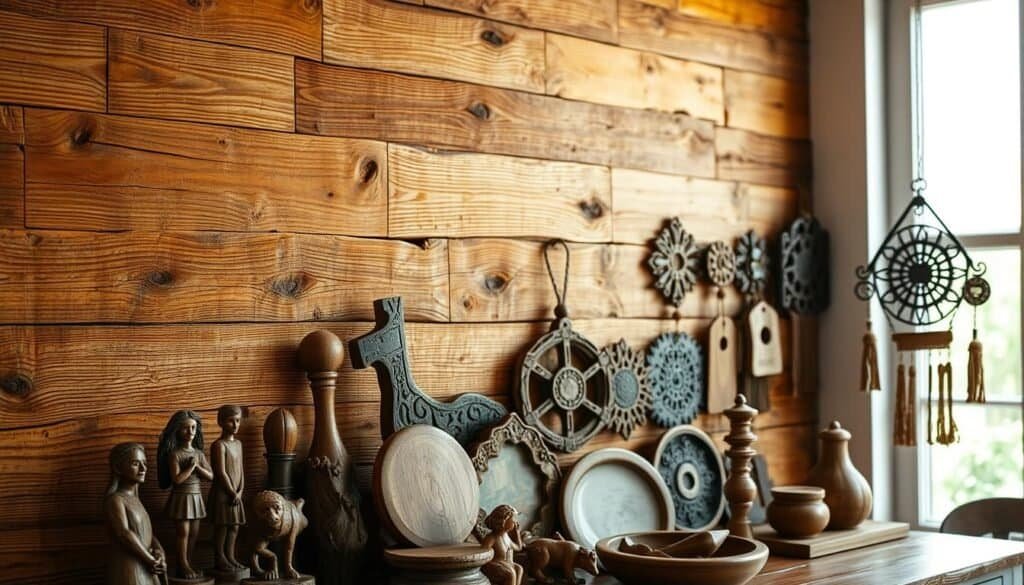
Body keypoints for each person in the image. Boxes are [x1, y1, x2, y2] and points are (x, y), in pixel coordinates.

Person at [157, 410, 214, 580]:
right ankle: (182, 564)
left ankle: (189, 561)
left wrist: (198, 467)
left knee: (195, 533)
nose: (190, 432)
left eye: (193, 428)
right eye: (186, 428)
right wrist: (191, 468)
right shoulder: (175, 454)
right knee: (183, 533)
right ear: (177, 430)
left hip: (195, 497)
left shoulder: (198, 454)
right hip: (181, 497)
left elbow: (211, 476)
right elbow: (177, 480)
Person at [104, 442, 166, 585]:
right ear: (118, 468)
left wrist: (159, 550)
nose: (143, 469)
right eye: (135, 463)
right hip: (130, 569)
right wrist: (149, 560)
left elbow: (146, 532)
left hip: (146, 566)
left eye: (144, 463)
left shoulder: (135, 499)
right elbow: (124, 534)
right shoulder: (115, 500)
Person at [209, 405, 246, 572]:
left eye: (238, 420)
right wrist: (232, 492)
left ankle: (230, 556)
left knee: (235, 526)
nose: (235, 425)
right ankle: (220, 557)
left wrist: (240, 491)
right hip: (223, 494)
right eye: (231, 421)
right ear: (220, 422)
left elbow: (241, 471)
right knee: (222, 526)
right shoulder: (219, 445)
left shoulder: (238, 444)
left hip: (236, 494)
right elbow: (221, 472)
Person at [481, 504, 524, 585]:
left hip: (508, 564)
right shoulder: (491, 538)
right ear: (503, 521)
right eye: (513, 519)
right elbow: (484, 555)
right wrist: (493, 564)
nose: (515, 522)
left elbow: (518, 547)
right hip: (495, 566)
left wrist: (517, 533)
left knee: (519, 568)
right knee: (511, 574)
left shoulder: (506, 536)